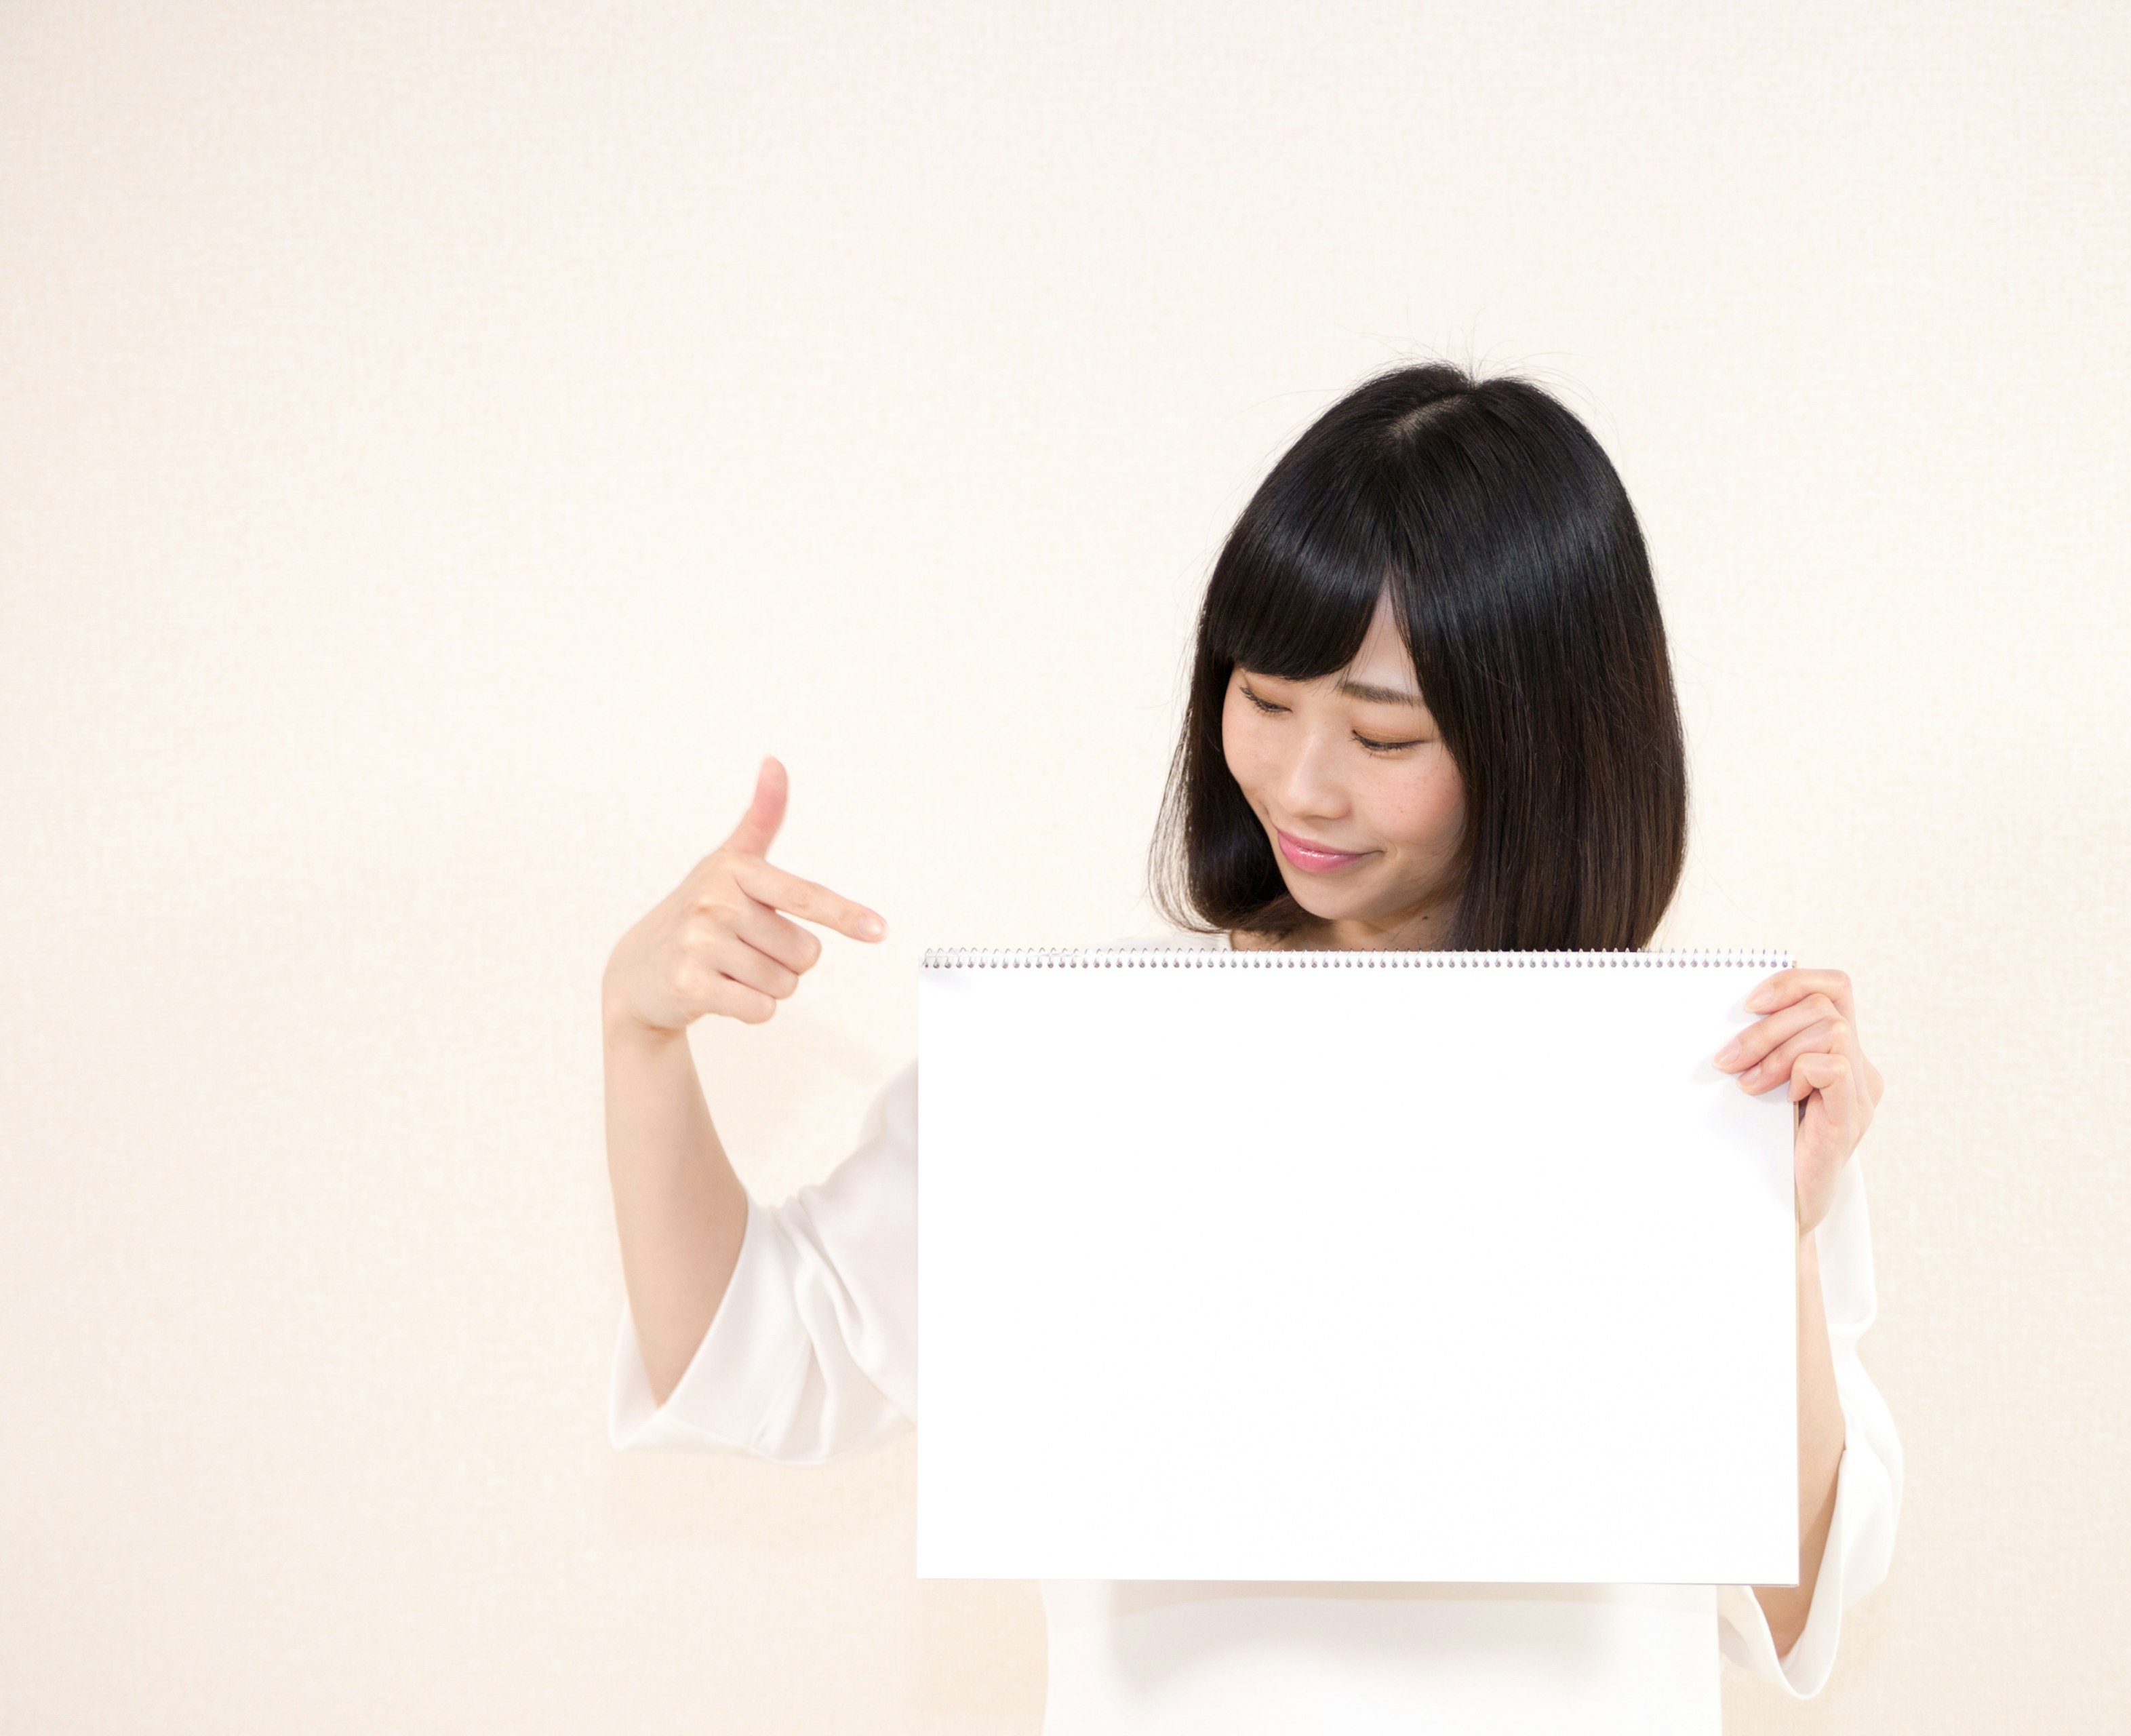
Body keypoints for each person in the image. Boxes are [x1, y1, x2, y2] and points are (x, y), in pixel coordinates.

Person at [599, 362, 1903, 1732]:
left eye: (1383, 731)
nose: (1299, 781)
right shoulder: (1092, 1070)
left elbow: (1809, 1597)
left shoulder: (1701, 1074)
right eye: (1265, 699)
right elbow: (755, 1357)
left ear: (1546, 737)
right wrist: (641, 1036)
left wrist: (1774, 1224)